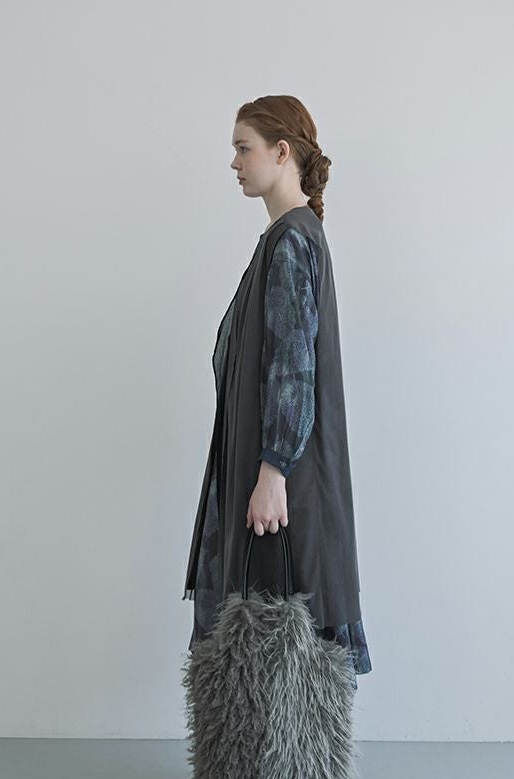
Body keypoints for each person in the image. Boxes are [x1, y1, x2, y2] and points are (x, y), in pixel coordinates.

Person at [181, 95, 372, 690]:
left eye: (244, 148)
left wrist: (272, 471)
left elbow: (293, 368)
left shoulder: (291, 240)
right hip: (288, 475)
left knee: (274, 642)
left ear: (282, 152)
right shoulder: (292, 235)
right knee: (277, 647)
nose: (234, 163)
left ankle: (272, 752)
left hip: (285, 483)